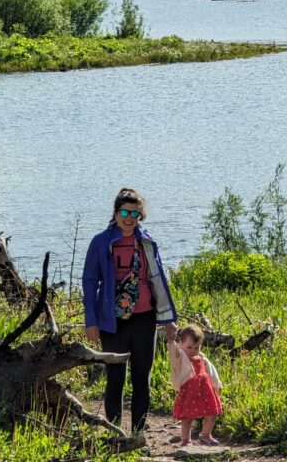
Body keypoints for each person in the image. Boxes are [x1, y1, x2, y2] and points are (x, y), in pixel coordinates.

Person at [82, 187, 177, 443]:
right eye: (124, 211)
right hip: (111, 322)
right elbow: (90, 281)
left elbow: (158, 280)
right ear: (115, 213)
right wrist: (91, 320)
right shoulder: (101, 241)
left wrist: (168, 319)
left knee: (141, 378)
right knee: (115, 379)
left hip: (144, 318)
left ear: (141, 215)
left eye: (135, 213)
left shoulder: (146, 241)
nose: (129, 217)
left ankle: (137, 436)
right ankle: (115, 436)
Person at [168, 323, 222, 446]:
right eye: (189, 347)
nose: (193, 351)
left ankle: (205, 434)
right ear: (181, 344)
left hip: (205, 390)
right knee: (187, 417)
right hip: (189, 392)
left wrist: (216, 383)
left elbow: (211, 371)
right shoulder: (180, 357)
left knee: (212, 413)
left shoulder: (201, 357)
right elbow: (173, 354)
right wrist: (171, 342)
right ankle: (186, 440)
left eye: (196, 347)